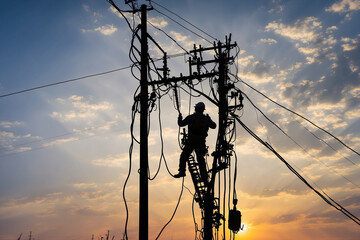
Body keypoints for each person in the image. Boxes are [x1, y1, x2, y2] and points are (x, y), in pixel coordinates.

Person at [174, 102, 216, 180]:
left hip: (191, 140)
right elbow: (214, 126)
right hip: (201, 141)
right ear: (203, 110)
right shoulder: (205, 119)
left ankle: (182, 172)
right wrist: (209, 119)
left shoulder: (191, 117)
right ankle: (204, 176)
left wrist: (179, 118)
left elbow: (181, 123)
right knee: (200, 159)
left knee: (184, 156)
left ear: (195, 108)